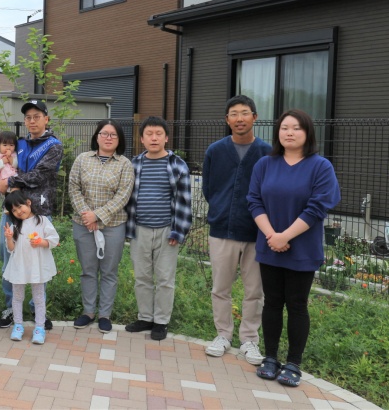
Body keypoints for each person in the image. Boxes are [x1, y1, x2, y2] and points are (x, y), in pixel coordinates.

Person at [248, 109, 340, 388]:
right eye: (285, 127)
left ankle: (293, 363)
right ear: (277, 132)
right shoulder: (265, 164)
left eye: (297, 128)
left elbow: (317, 207)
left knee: (297, 305)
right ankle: (270, 358)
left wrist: (284, 236)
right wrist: (271, 236)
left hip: (303, 248)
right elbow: (254, 201)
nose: (290, 132)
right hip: (269, 245)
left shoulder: (320, 166)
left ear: (308, 132)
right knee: (272, 302)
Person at [202, 96, 271, 365]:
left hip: (257, 232)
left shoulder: (267, 152)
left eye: (245, 113)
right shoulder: (215, 151)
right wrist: (221, 209)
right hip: (222, 229)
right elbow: (209, 189)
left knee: (255, 291)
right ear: (227, 120)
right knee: (220, 288)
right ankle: (223, 335)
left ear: (255, 117)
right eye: (234, 114)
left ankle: (249, 339)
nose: (239, 118)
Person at [0, 100, 62, 330]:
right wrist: (4, 180)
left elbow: (39, 175)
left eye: (37, 116)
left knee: (38, 259)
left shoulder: (53, 146)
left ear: (46, 119)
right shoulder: (20, 144)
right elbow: (7, 165)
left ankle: (37, 308)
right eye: (28, 117)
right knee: (10, 257)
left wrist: (10, 182)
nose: (32, 121)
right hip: (13, 210)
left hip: (39, 212)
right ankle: (10, 308)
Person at [124, 116, 192, 341]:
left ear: (166, 138)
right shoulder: (133, 164)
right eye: (149, 134)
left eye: (158, 134)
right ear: (142, 139)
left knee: (164, 278)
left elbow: (184, 201)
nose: (154, 138)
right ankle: (145, 317)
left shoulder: (178, 165)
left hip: (167, 231)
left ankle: (161, 321)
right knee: (142, 277)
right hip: (139, 229)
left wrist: (178, 230)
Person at [68, 119, 134, 334]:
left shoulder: (124, 164)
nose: (108, 138)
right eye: (104, 133)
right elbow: (73, 188)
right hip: (83, 225)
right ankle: (88, 312)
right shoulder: (82, 159)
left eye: (113, 135)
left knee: (109, 271)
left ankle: (105, 315)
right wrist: (87, 216)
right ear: (96, 136)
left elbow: (123, 195)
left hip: (113, 225)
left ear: (119, 139)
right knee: (88, 270)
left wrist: (97, 215)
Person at [2, 191, 59, 345]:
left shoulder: (42, 221)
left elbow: (54, 239)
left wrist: (41, 242)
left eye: (20, 207)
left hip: (37, 266)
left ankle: (39, 327)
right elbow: (11, 249)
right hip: (19, 265)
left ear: (28, 203)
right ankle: (18, 325)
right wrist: (9, 238)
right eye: (14, 210)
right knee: (17, 297)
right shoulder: (15, 225)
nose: (18, 212)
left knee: (39, 297)